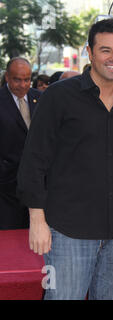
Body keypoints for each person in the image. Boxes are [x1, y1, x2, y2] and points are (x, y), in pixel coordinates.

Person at [17, 18, 113, 300]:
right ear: (89, 52)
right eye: (106, 50)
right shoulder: (59, 96)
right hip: (67, 231)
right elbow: (33, 160)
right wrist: (37, 219)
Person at [0, 57, 41, 229]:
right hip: (6, 188)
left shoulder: (40, 98)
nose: (23, 85)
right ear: (7, 77)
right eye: (17, 79)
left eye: (27, 79)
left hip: (37, 184)